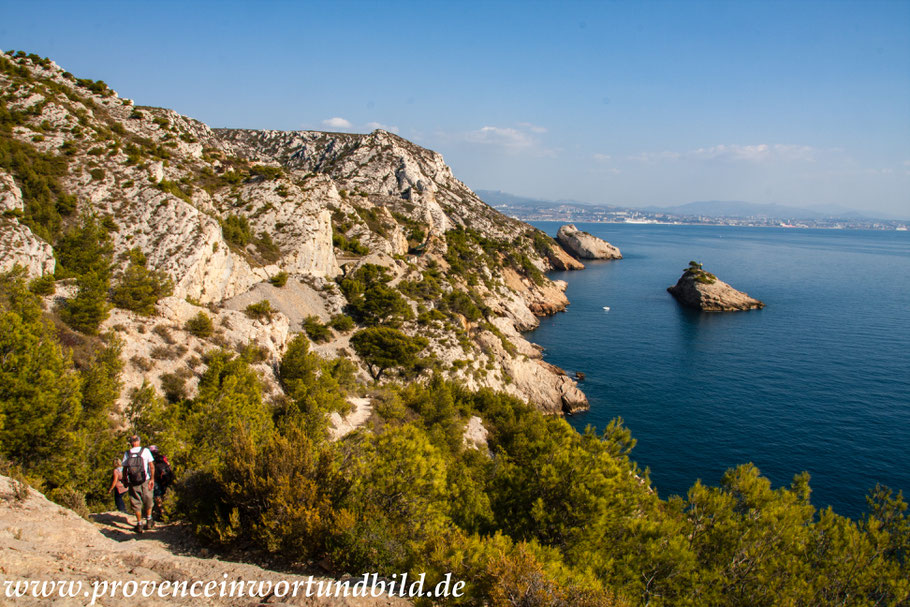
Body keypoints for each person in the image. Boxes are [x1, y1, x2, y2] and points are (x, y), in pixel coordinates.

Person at [121, 435, 155, 533]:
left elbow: (125, 468)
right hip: (145, 479)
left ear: (131, 443)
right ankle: (149, 520)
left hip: (133, 481)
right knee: (148, 499)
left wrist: (125, 480)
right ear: (139, 441)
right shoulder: (145, 451)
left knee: (136, 502)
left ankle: (139, 524)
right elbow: (151, 466)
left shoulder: (127, 453)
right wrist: (152, 479)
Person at [148, 445, 173, 522]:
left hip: (155, 479)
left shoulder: (150, 459)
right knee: (162, 495)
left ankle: (160, 513)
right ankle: (165, 512)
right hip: (164, 479)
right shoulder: (163, 457)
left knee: (157, 496)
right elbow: (169, 467)